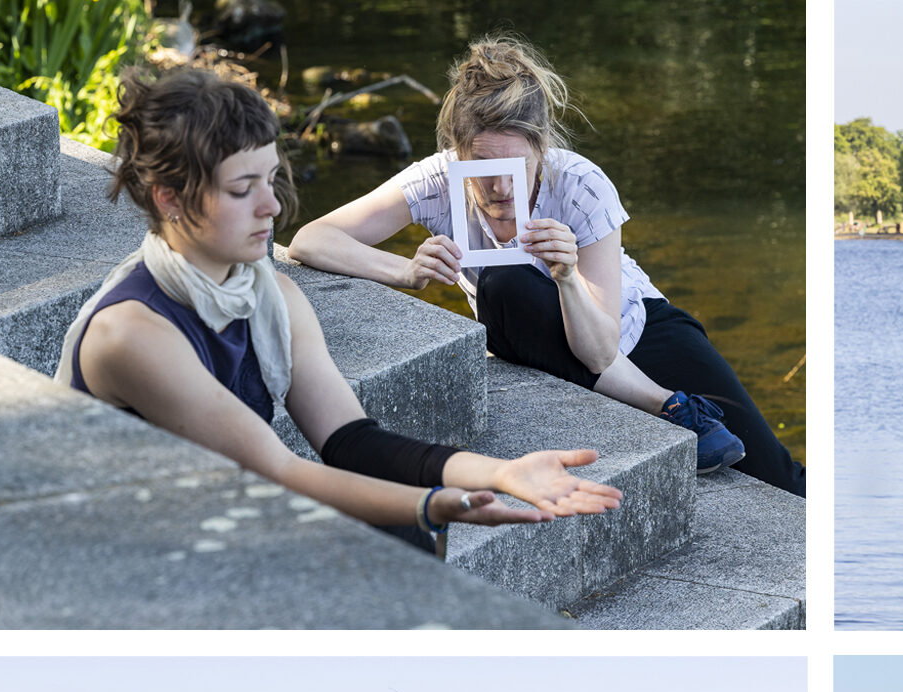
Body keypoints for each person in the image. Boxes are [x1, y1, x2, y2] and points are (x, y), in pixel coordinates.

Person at [59, 68, 622, 558]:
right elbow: (278, 470)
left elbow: (352, 443)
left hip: (214, 512)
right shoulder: (131, 332)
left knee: (396, 528)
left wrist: (499, 472)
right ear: (169, 199)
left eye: (270, 179)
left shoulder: (273, 297)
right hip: (125, 542)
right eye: (241, 190)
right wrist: (435, 505)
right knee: (397, 526)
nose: (272, 206)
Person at [286, 33, 806, 495]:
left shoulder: (581, 185)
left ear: (541, 148)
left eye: (510, 167)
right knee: (506, 286)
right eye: (478, 167)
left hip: (636, 328)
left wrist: (567, 277)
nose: (493, 187)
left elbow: (601, 348)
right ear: (456, 153)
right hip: (525, 324)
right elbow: (312, 239)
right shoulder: (439, 178)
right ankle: (666, 405)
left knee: (779, 476)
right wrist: (403, 271)